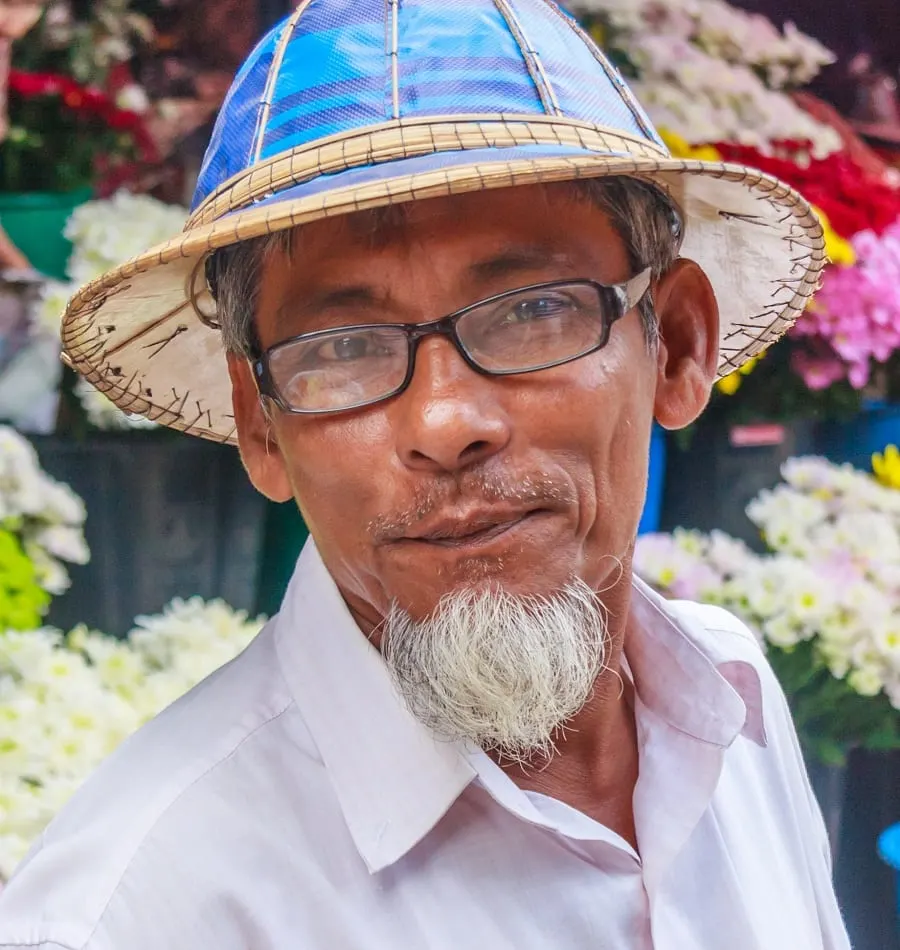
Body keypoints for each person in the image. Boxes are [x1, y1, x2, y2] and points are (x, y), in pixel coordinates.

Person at [0, 1, 848, 947]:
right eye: (344, 347)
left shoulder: (734, 704)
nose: (445, 423)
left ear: (680, 345)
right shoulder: (140, 912)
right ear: (262, 428)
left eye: (531, 311)